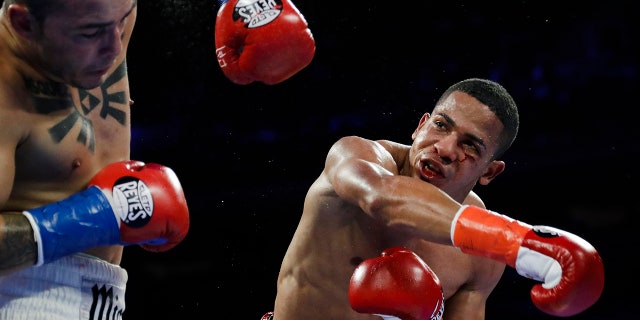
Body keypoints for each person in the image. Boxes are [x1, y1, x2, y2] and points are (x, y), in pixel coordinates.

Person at [267, 78, 604, 320]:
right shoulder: (356, 156)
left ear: (490, 172)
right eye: (441, 126)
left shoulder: (480, 258)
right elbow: (381, 198)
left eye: (470, 145)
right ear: (420, 126)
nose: (444, 149)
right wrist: (518, 243)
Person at [0, 1, 193, 319]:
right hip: (21, 297)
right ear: (24, 24)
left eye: (124, 19)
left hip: (106, 298)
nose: (115, 46)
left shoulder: (104, 11)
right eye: (91, 32)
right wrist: (93, 219)